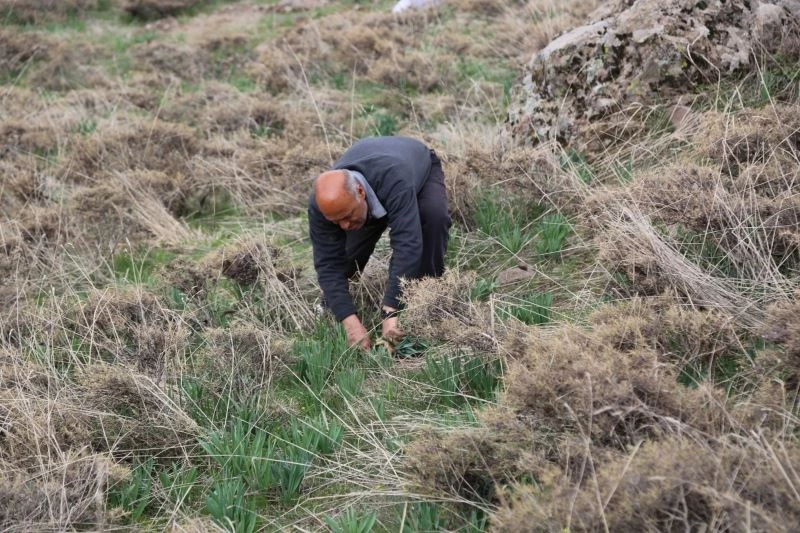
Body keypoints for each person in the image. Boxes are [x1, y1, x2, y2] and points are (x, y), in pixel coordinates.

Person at [308, 136, 451, 350]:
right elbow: (328, 263)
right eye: (337, 222)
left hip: (415, 169)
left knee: (432, 219)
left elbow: (407, 244)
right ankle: (332, 308)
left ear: (360, 192)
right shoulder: (324, 205)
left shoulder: (395, 178)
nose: (345, 225)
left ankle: (426, 297)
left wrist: (390, 312)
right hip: (371, 194)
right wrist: (349, 320)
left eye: (347, 216)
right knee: (348, 256)